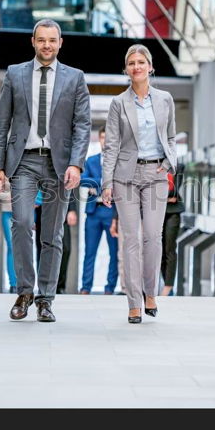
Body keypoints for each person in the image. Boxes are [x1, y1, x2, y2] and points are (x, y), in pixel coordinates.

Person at [0, 18, 91, 323]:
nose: (47, 45)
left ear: (60, 43)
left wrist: (76, 162)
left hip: (59, 164)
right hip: (23, 160)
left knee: (52, 234)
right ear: (33, 42)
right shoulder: (15, 74)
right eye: (41, 40)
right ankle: (24, 291)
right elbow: (2, 123)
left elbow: (82, 126)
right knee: (21, 222)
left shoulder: (75, 78)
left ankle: (46, 299)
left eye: (52, 40)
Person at [101, 44, 177, 323]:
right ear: (126, 70)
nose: (136, 67)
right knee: (131, 239)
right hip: (126, 176)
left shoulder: (165, 99)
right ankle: (134, 302)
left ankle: (150, 293)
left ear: (150, 66)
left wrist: (169, 165)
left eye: (141, 62)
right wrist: (106, 182)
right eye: (131, 63)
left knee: (153, 238)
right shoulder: (119, 103)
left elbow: (170, 137)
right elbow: (111, 146)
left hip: (156, 174)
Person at [79, 126, 119, 295]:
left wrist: (97, 184)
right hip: (93, 212)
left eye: (108, 138)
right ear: (99, 140)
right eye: (102, 137)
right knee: (89, 252)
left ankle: (110, 288)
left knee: (114, 253)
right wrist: (104, 182)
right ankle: (86, 287)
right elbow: (82, 179)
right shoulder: (91, 160)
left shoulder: (120, 162)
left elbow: (120, 183)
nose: (105, 141)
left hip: (112, 212)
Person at [35, 189, 79, 294]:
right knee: (42, 248)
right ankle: (44, 285)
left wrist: (71, 209)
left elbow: (69, 185)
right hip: (41, 208)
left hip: (61, 207)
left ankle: (59, 286)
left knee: (66, 248)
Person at [160, 163, 185, 296]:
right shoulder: (153, 165)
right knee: (159, 250)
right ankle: (166, 283)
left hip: (173, 212)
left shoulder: (178, 166)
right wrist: (166, 197)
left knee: (169, 248)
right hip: (156, 211)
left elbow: (174, 192)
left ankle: (168, 287)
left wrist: (159, 194)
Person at [0, 179, 17, 293]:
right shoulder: (2, 171)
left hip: (25, 212)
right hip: (7, 212)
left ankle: (24, 281)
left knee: (24, 247)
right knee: (12, 246)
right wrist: (11, 196)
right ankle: (13, 283)